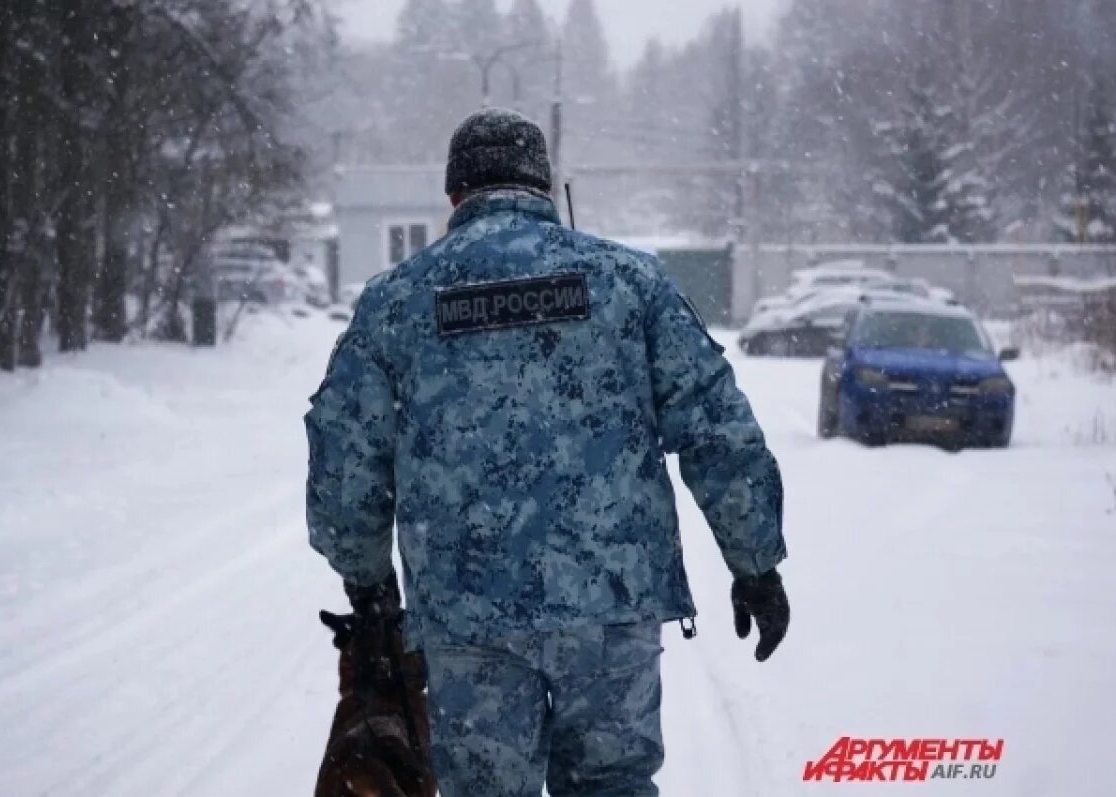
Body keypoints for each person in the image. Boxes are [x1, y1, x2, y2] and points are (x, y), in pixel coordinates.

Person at [305, 108, 790, 797]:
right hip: (611, 610)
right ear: (542, 183)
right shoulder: (630, 282)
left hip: (467, 620)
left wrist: (368, 582)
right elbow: (717, 425)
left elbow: (344, 454)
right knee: (613, 785)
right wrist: (755, 562)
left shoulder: (397, 302)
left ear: (454, 194)